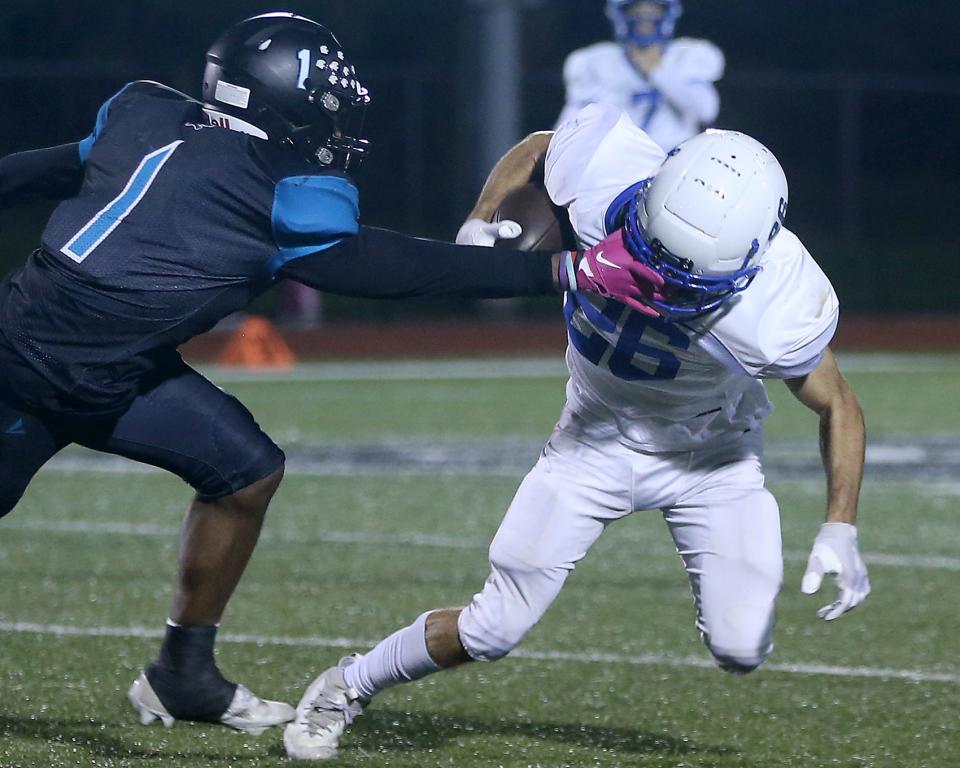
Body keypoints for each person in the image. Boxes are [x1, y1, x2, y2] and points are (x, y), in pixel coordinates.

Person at [0, 15, 657, 735]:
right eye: (323, 110)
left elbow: (48, 167)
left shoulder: (144, 114)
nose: (331, 129)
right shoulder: (277, 188)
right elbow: (392, 267)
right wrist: (561, 269)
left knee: (244, 470)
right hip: (28, 367)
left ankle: (181, 674)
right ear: (278, 102)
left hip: (116, 370)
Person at [282, 103, 871, 760]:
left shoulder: (779, 304)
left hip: (713, 460)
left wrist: (840, 525)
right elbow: (539, 145)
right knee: (494, 626)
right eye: (655, 258)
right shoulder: (605, 173)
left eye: (690, 281)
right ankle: (347, 683)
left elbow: (838, 405)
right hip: (591, 443)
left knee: (742, 647)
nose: (665, 288)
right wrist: (481, 219)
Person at [556, 0, 723, 151]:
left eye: (652, 12)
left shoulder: (686, 56)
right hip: (617, 166)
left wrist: (658, 72)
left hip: (676, 164)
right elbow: (567, 128)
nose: (644, 21)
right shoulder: (596, 63)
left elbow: (705, 111)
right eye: (637, 12)